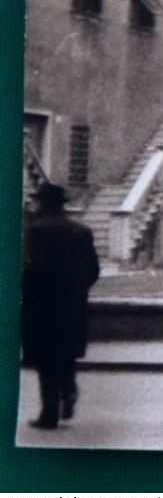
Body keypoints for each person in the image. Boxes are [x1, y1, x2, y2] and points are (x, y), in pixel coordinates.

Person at [21, 183, 101, 431]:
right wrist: (77, 291)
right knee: (66, 354)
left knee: (46, 360)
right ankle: (69, 390)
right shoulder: (82, 230)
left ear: (43, 204)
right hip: (73, 304)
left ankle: (50, 414)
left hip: (42, 305)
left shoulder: (35, 231)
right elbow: (93, 270)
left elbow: (30, 268)